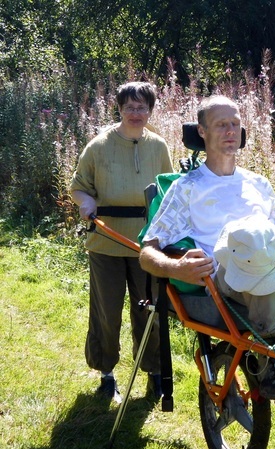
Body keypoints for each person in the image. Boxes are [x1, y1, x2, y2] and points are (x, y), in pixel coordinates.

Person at [139, 94, 275, 401]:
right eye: (221, 125)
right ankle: (272, 357)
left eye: (235, 124)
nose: (231, 131)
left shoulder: (258, 184)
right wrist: (176, 268)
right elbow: (147, 252)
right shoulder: (187, 187)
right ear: (202, 131)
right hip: (228, 286)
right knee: (253, 237)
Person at [70, 81, 173, 403]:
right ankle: (106, 374)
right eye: (130, 107)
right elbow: (80, 186)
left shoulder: (158, 146)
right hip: (106, 243)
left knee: (150, 311)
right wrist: (85, 203)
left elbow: (169, 193)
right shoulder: (99, 146)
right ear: (119, 108)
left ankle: (155, 372)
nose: (136, 113)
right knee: (107, 311)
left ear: (150, 110)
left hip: (147, 247)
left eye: (142, 107)